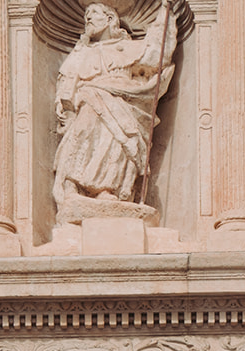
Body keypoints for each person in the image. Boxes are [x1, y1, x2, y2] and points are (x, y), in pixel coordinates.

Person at [53, 0, 176, 222]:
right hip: (90, 98)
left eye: (93, 14)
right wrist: (65, 106)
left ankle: (107, 189)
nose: (87, 18)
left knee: (120, 141)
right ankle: (72, 184)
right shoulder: (80, 53)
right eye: (85, 15)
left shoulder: (129, 48)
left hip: (124, 100)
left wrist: (164, 18)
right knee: (83, 130)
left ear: (110, 20)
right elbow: (66, 84)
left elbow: (157, 55)